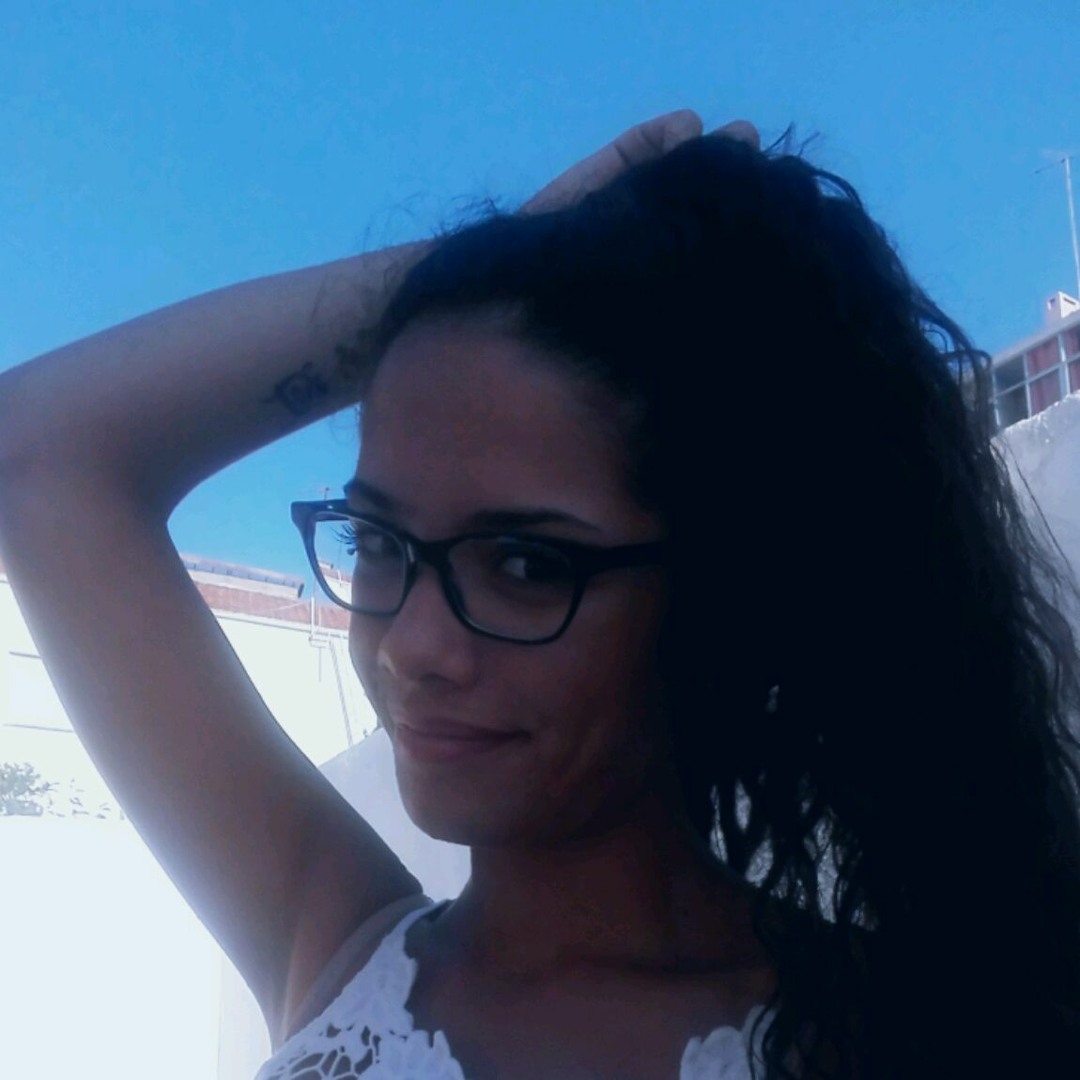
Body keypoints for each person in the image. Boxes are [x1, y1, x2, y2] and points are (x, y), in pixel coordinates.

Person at [0, 110, 1078, 1080]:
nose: (411, 645)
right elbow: (33, 450)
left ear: (724, 595)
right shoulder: (339, 953)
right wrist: (504, 256)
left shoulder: (917, 1039)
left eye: (524, 563)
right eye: (379, 540)